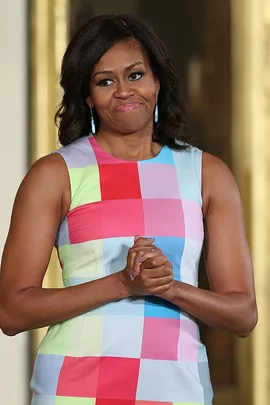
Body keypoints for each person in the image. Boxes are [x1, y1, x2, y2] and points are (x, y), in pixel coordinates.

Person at [0, 13, 257, 405]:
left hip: (177, 389)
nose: (124, 91)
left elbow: (242, 314)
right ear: (88, 96)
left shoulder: (206, 174)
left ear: (157, 80)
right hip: (74, 390)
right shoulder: (56, 174)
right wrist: (122, 284)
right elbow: (11, 311)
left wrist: (168, 287)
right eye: (105, 81)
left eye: (135, 75)